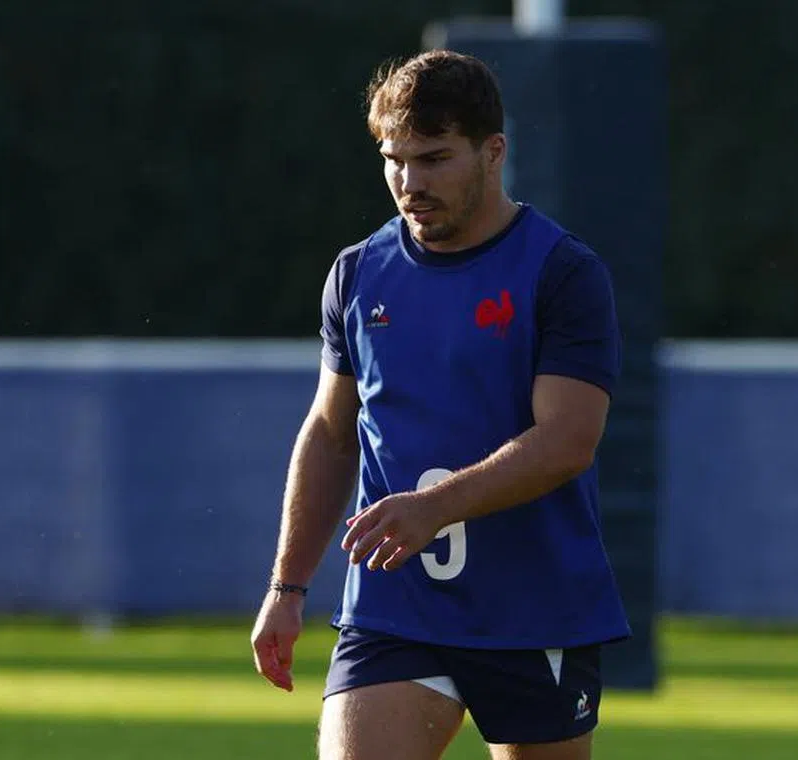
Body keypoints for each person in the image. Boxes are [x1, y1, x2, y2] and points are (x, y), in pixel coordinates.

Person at [250, 49, 630, 760]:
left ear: (493, 152)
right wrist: (288, 585)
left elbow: (567, 440)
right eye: (394, 159)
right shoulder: (359, 271)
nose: (409, 182)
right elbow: (332, 434)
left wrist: (435, 507)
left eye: (433, 159)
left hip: (531, 606)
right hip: (395, 606)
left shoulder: (562, 273)